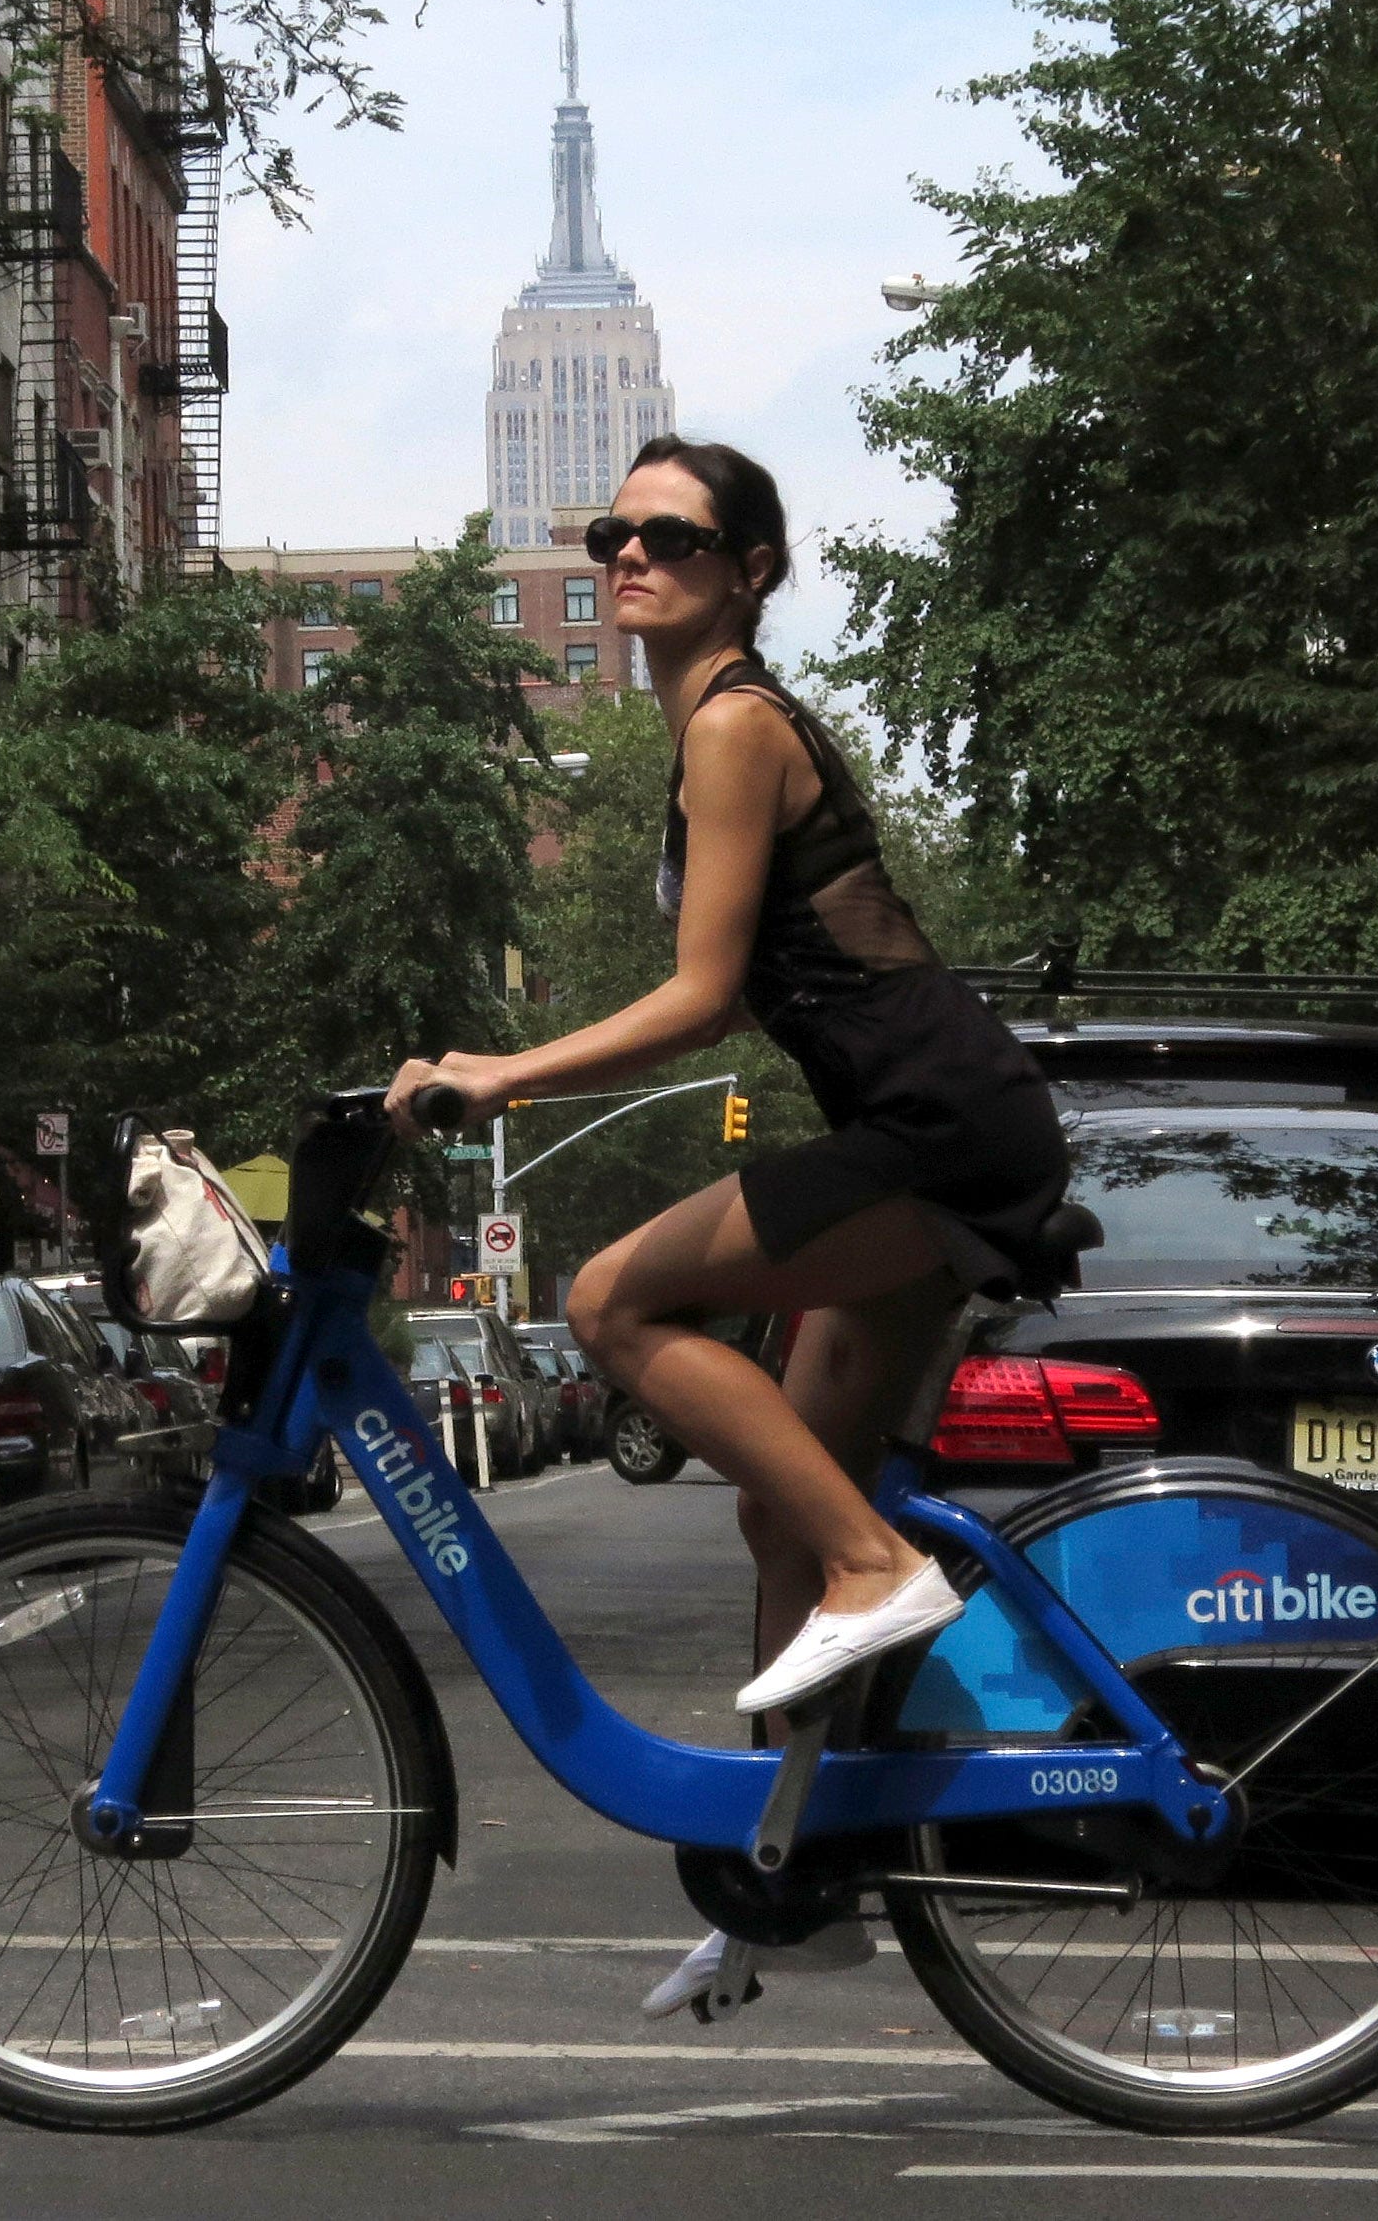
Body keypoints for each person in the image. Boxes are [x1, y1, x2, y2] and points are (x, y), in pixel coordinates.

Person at [383, 436, 1071, 2020]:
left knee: (618, 1300)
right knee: (779, 1510)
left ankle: (872, 1564)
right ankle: (790, 1879)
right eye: (613, 531)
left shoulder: (736, 728)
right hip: (919, 1123)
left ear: (750, 570)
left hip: (935, 1129)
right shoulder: (713, 726)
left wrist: (502, 1075)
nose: (631, 555)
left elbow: (701, 1001)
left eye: (671, 538)